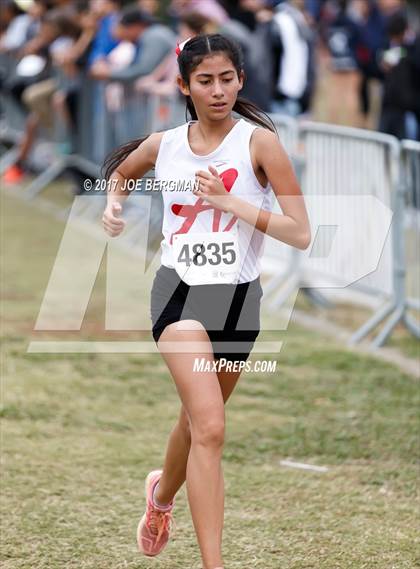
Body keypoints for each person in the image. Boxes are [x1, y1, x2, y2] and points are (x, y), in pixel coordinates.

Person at [101, 33, 311, 569]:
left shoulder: (260, 144)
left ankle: (160, 496)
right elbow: (122, 172)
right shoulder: (164, 144)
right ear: (184, 86)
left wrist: (230, 201)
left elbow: (300, 233)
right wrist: (113, 205)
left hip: (239, 301)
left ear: (240, 80)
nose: (217, 90)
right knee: (211, 428)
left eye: (226, 79)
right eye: (204, 81)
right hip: (179, 294)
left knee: (196, 422)